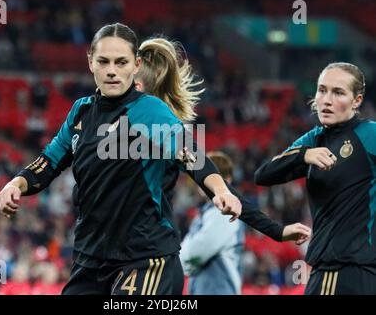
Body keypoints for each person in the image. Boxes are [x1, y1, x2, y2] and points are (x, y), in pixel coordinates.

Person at [0, 23, 242, 295]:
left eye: (121, 62)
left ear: (136, 65)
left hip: (146, 259)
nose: (112, 70)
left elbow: (192, 155)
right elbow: (49, 162)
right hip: (92, 259)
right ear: (91, 62)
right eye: (104, 61)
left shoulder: (150, 111)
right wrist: (15, 185)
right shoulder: (81, 112)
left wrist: (220, 190)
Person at [134, 38, 311, 295]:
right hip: (107, 255)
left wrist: (276, 230)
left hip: (147, 258)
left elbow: (225, 192)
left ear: (137, 86)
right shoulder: (102, 125)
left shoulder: (168, 135)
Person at [255, 62, 376, 295]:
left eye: (338, 92)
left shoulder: (369, 134)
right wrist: (304, 155)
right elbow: (264, 174)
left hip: (342, 270)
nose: (326, 100)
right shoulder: (314, 139)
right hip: (335, 269)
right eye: (322, 90)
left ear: (357, 100)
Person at [180, 151, 311, 295]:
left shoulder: (223, 212)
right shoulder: (204, 213)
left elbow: (194, 253)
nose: (203, 182)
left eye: (211, 176)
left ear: (227, 180)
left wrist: (183, 257)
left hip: (219, 289)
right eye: (200, 176)